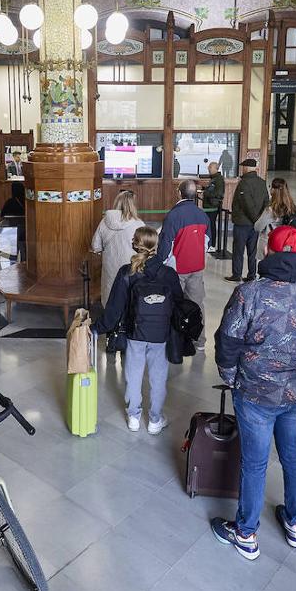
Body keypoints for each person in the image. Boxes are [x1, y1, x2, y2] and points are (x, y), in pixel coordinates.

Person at [210, 225, 296, 560]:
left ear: (269, 252)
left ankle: (246, 533)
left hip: (254, 392)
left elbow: (228, 341)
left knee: (254, 462)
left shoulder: (249, 293)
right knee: (295, 456)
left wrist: (231, 376)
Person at [94, 226, 184, 434]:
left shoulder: (127, 272)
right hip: (161, 335)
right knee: (158, 378)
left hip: (134, 333)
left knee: (133, 376)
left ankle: (133, 417)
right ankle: (154, 420)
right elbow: (179, 305)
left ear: (134, 244)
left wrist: (97, 328)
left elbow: (114, 308)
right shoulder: (168, 274)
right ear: (157, 246)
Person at [157, 180, 210, 347]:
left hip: (177, 269)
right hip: (197, 267)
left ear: (179, 193)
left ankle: (173, 340)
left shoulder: (173, 215)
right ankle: (199, 340)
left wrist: (161, 263)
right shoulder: (203, 215)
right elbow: (207, 242)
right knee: (197, 304)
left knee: (172, 304)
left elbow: (166, 244)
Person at [91, 190, 143, 307]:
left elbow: (95, 246)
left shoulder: (104, 221)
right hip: (131, 267)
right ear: (133, 205)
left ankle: (110, 320)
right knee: (128, 296)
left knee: (110, 294)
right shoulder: (138, 225)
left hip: (110, 266)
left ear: (117, 202)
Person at [226, 158, 268, 283]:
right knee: (252, 251)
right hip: (256, 224)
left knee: (238, 250)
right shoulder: (262, 182)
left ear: (246, 168)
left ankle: (236, 275)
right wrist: (259, 221)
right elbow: (266, 201)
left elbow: (247, 204)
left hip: (243, 223)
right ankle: (251, 275)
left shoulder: (244, 183)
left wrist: (255, 219)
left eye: (243, 167)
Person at [202, 161, 225, 253]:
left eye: (210, 168)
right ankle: (209, 243)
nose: (209, 169)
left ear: (216, 168)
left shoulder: (219, 179)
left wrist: (206, 193)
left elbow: (218, 193)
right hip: (208, 206)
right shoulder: (214, 178)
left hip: (213, 207)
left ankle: (212, 245)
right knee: (208, 225)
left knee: (211, 225)